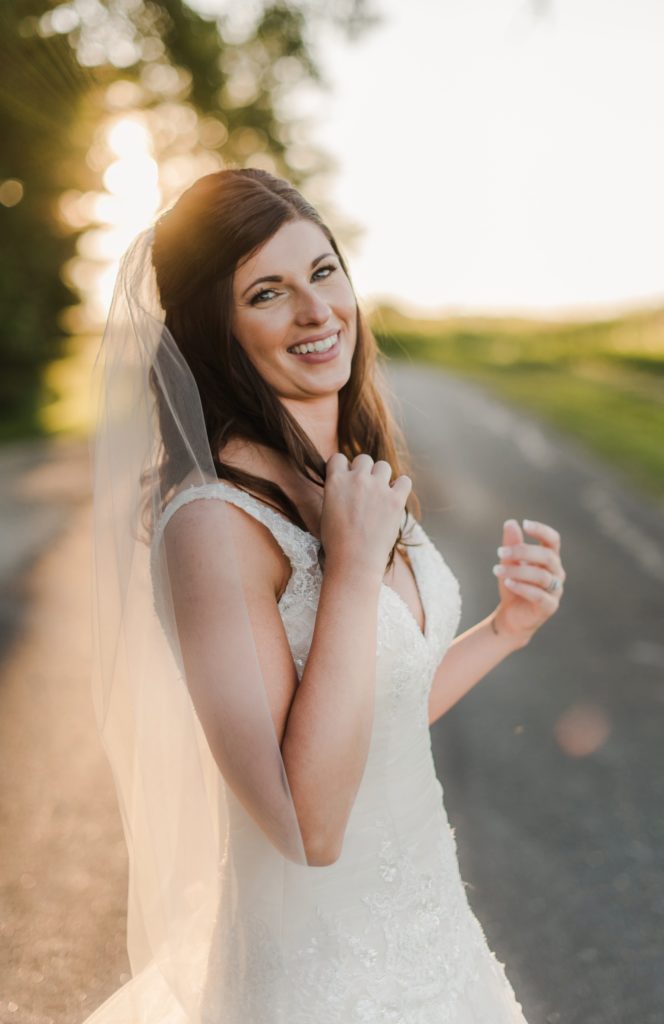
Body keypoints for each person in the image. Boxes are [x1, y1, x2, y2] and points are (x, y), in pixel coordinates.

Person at [86, 166, 565, 1024]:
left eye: (323, 272)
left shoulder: (342, 477)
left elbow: (374, 713)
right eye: (267, 292)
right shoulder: (215, 526)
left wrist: (505, 630)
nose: (317, 312)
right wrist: (348, 572)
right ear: (213, 330)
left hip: (434, 941)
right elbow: (308, 828)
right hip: (324, 978)